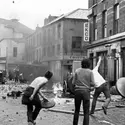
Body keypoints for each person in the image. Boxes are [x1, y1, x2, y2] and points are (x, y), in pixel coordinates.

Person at [72, 58, 95, 125]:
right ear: (89, 64)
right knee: (86, 111)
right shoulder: (90, 72)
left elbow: (73, 82)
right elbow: (93, 83)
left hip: (77, 91)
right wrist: (90, 87)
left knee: (76, 110)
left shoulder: (77, 71)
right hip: (86, 92)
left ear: (81, 64)